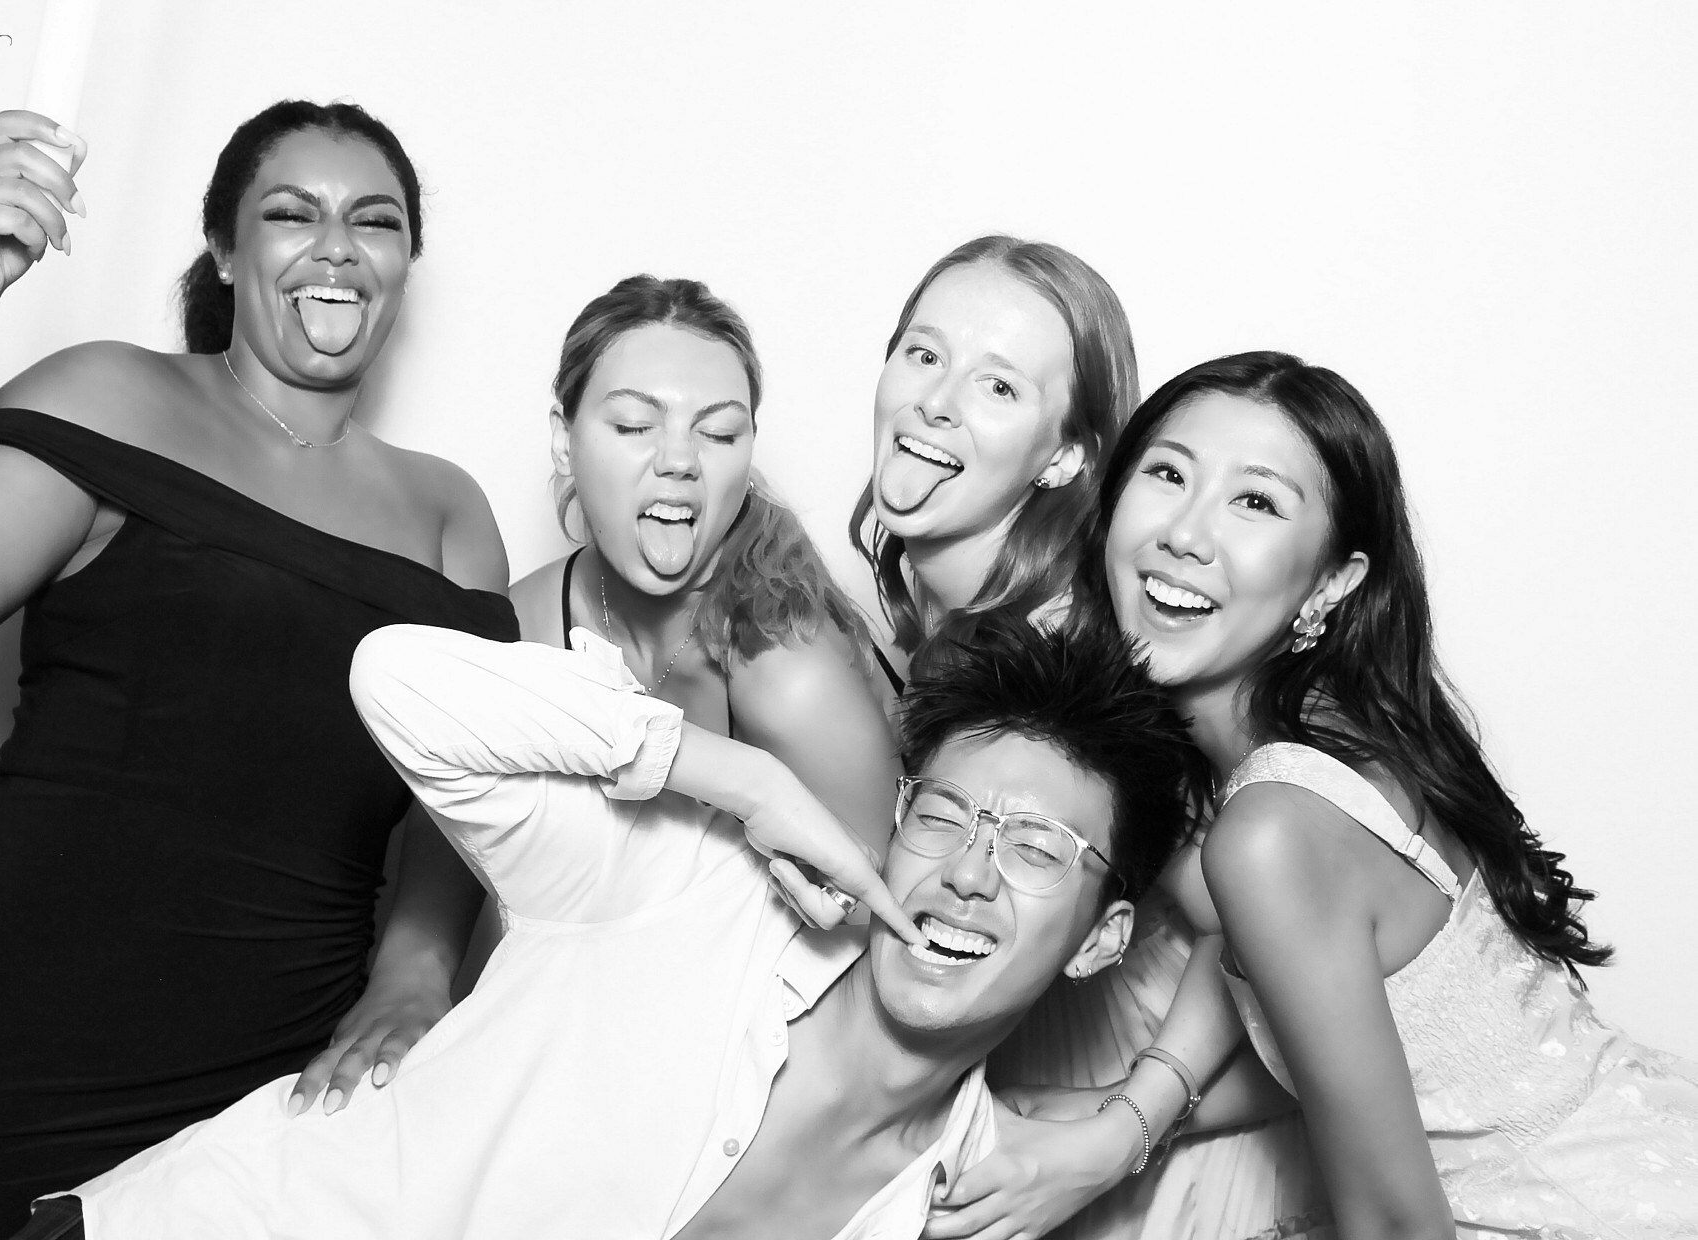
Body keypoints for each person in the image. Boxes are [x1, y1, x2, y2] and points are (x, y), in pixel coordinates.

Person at [0, 102, 515, 1238]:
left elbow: (466, 796)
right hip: (1, 1032)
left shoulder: (448, 515)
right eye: (292, 214)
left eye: (375, 222)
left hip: (273, 1083)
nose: (337, 247)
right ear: (223, 248)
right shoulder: (110, 396)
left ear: (406, 263)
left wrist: (415, 968)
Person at [15, 612, 1197, 1240]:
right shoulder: (685, 886)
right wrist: (738, 777)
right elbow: (395, 679)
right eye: (941, 815)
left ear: (1100, 939)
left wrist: (1132, 1126)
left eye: (1036, 848)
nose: (969, 873)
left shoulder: (973, 1196)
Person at [1089, 350, 1698, 1237]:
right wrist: (1120, 1121)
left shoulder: (1274, 830)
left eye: (1255, 501)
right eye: (1169, 474)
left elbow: (1396, 1226)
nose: (1185, 533)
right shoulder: (1355, 734)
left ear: (1332, 583)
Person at [286, 273, 901, 1111]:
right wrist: (411, 973)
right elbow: (449, 819)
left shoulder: (790, 668)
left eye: (719, 432)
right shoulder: (524, 621)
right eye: (635, 425)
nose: (678, 460)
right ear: (563, 439)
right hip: (555, 1047)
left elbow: (875, 949)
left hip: (733, 1083)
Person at [851, 237, 1329, 1240]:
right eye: (923, 354)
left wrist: (1121, 1124)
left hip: (1150, 1127)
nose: (935, 402)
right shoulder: (953, 623)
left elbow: (1266, 926)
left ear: (1067, 455)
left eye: (996, 386)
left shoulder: (1078, 647)